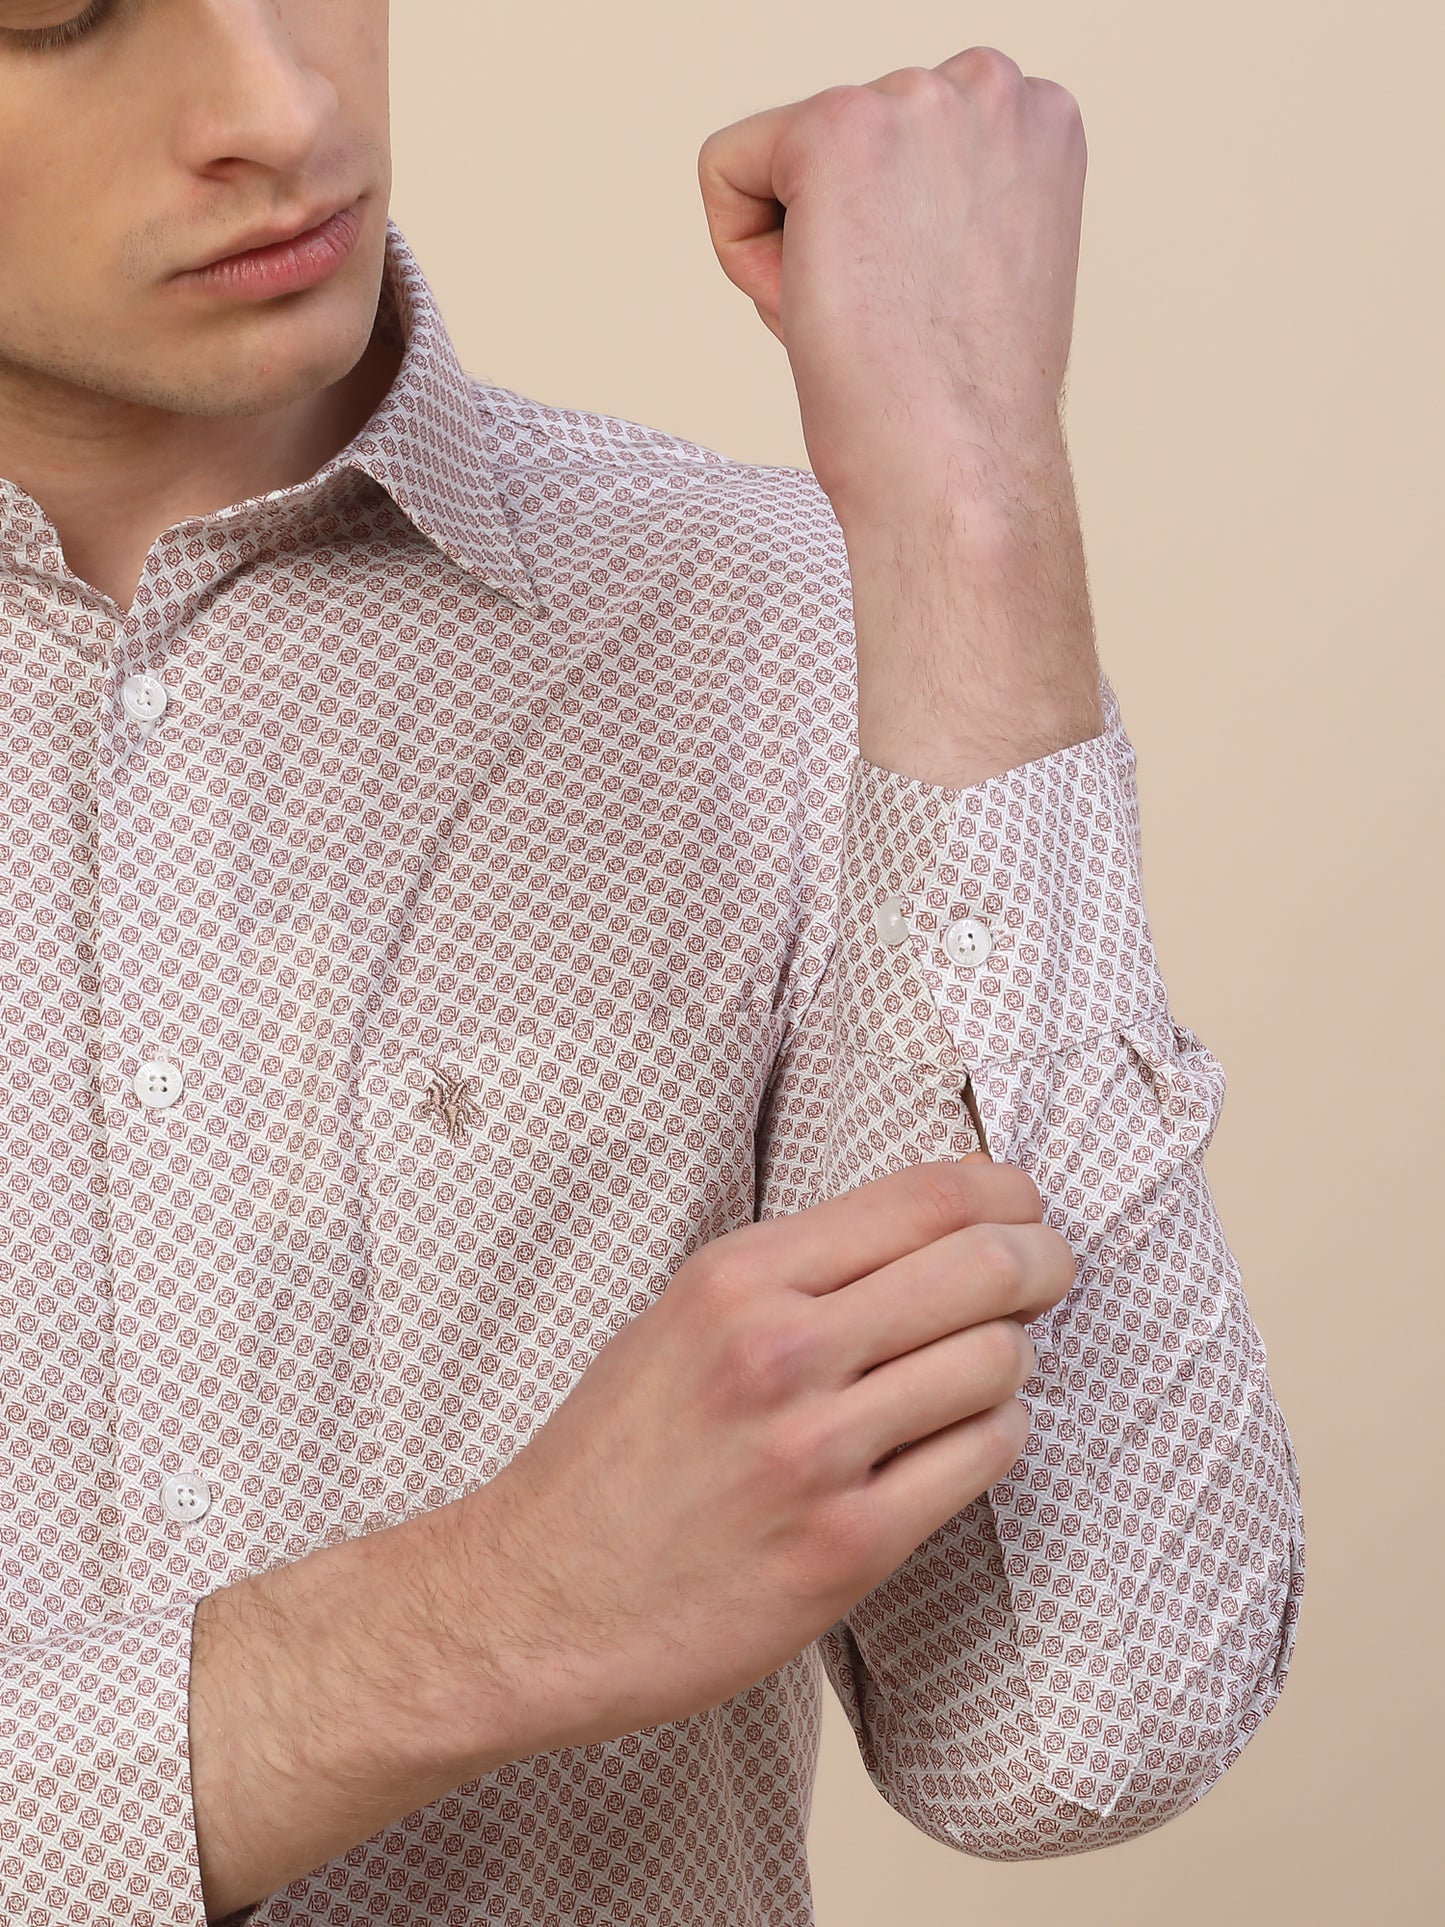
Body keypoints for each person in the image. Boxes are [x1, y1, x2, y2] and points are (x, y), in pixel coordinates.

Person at [0, 5, 1305, 1923]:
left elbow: (1074, 1728)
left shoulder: (788, 627)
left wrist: (969, 500)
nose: (282, 107)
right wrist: (488, 1614)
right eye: (53, 15)